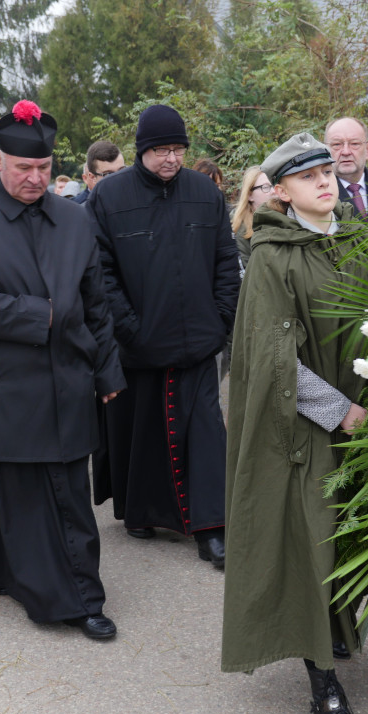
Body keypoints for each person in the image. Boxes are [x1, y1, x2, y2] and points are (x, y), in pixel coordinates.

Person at [0, 100, 125, 640]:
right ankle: (2, 573)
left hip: (66, 380)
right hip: (1, 383)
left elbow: (96, 302)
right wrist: (42, 314)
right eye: (24, 169)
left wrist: (108, 371)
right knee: (11, 486)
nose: (36, 179)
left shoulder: (73, 217)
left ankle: (79, 597)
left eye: (44, 169)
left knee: (66, 491)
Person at [221, 133, 368, 714]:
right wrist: (340, 413)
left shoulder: (362, 242)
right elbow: (275, 358)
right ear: (279, 191)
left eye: (327, 171)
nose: (324, 181)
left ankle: (334, 634)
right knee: (310, 544)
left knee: (346, 540)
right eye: (307, 177)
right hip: (305, 432)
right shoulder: (272, 257)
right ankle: (325, 687)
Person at [89, 104, 238, 568]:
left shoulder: (203, 194)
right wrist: (130, 327)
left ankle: (212, 529)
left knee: (205, 433)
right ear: (141, 151)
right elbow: (100, 271)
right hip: (138, 344)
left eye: (177, 150)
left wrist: (220, 319)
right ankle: (140, 510)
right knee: (143, 431)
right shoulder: (110, 196)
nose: (170, 159)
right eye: (160, 151)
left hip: (198, 342)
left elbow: (224, 262)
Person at [230, 165, 277, 271]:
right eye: (266, 187)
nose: (274, 191)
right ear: (250, 195)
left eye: (274, 185)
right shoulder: (239, 228)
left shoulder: (289, 218)